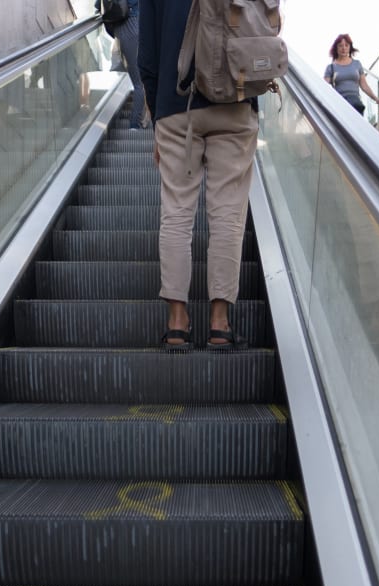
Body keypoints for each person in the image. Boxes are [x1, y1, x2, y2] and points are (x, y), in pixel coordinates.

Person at [138, 0, 259, 351]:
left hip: (176, 105)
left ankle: (177, 323)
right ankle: (219, 324)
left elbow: (147, 55)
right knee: (228, 216)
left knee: (176, 214)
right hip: (235, 101)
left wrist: (157, 114)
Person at [97, 0, 145, 129]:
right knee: (140, 82)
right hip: (134, 26)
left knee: (138, 79)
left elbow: (98, 5)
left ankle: (140, 119)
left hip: (119, 29)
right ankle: (135, 123)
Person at [324, 34, 379, 114]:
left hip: (355, 103)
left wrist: (376, 98)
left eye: (346, 45)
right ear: (336, 48)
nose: (344, 48)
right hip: (340, 103)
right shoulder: (331, 67)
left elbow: (364, 85)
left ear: (350, 47)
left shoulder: (356, 64)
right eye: (340, 46)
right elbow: (324, 87)